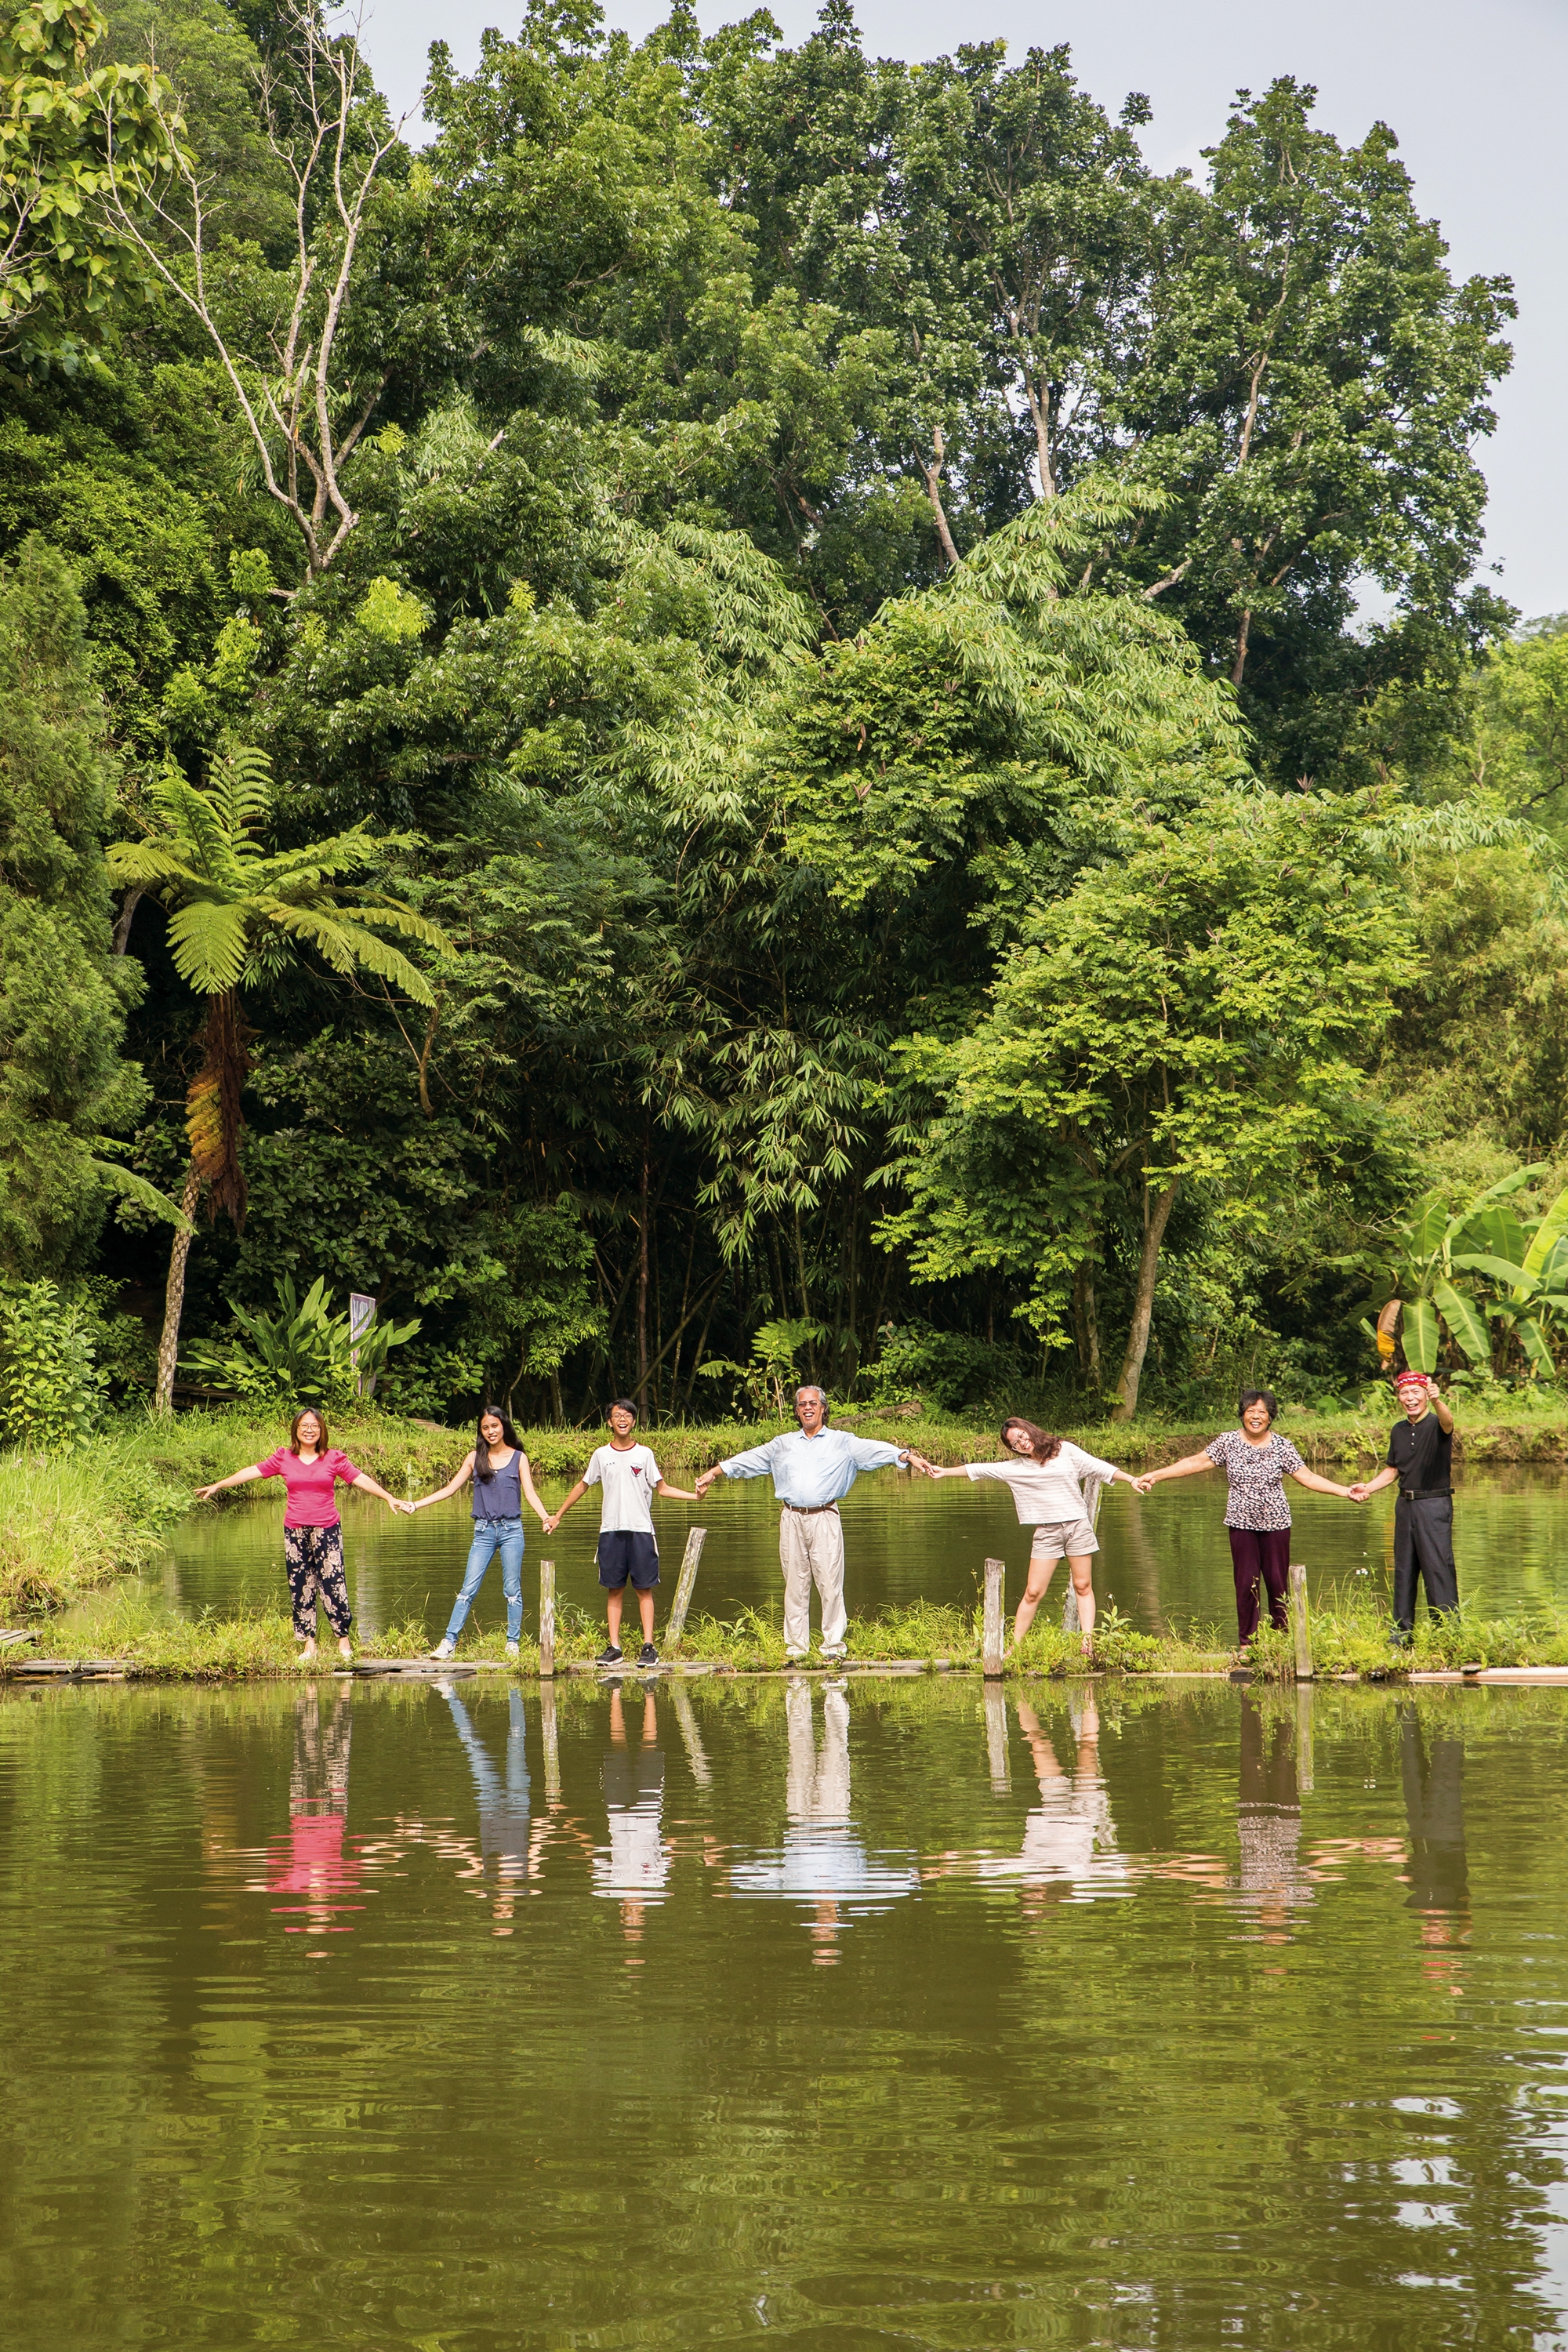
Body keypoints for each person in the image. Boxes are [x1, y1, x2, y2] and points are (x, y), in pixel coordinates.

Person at [695, 1385, 925, 1664]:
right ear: (796, 1410)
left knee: (830, 1583)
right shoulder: (783, 1443)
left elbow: (875, 1450)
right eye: (802, 1404)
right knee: (795, 1585)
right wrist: (714, 1472)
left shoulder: (842, 1442)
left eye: (813, 1404)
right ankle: (796, 1650)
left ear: (823, 1409)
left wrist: (906, 1455)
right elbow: (750, 1459)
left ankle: (833, 1648)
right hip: (791, 1517)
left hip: (824, 1517)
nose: (807, 1408)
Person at [1138, 1388, 1359, 1646]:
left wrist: (1346, 1491)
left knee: (1277, 1584)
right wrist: (1156, 1475)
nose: (1256, 1417)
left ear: (1271, 1416)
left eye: (1262, 1412)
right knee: (1246, 1584)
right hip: (1241, 1523)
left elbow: (1308, 1478)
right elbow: (1195, 1462)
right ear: (1242, 1414)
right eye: (1250, 1411)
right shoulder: (1228, 1442)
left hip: (1276, 1524)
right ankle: (1247, 1644)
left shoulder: (1282, 1446)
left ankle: (1281, 1641)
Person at [194, 1406, 408, 1661]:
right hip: (295, 1530)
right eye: (304, 1426)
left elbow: (360, 1478)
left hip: (327, 1528)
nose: (309, 1430)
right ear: (296, 1430)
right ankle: (309, 1646)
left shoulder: (333, 1458)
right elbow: (252, 1471)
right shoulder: (284, 1457)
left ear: (322, 1430)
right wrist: (219, 1484)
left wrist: (388, 1497)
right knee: (301, 1585)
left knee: (333, 1583)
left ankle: (343, 1643)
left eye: (314, 1426)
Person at [920, 1416, 1142, 1655]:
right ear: (1012, 1448)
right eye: (1015, 1443)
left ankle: (1087, 1643)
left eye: (1022, 1436)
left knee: (1083, 1585)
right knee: (1033, 1591)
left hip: (1077, 1526)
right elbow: (980, 1469)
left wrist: (1131, 1479)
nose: (1022, 1443)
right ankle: (1014, 1648)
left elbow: (1098, 1467)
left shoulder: (1064, 1450)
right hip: (1047, 1532)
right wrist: (944, 1472)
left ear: (1030, 1431)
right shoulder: (1015, 1469)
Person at [544, 1399, 699, 1667]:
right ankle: (614, 1648)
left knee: (644, 1590)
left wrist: (694, 1497)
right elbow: (582, 1486)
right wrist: (558, 1515)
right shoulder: (601, 1455)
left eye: (628, 1415)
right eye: (617, 1415)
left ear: (634, 1421)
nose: (623, 1419)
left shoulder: (645, 1454)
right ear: (609, 1422)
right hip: (611, 1531)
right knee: (613, 1590)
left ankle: (648, 1647)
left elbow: (662, 1488)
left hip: (640, 1530)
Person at [412, 1409, 550, 1663]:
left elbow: (530, 1494)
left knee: (512, 1590)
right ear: (481, 1431)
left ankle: (512, 1643)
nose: (491, 1431)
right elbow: (449, 1489)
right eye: (486, 1428)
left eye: (495, 1426)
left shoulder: (519, 1458)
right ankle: (448, 1642)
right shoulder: (475, 1458)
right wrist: (416, 1505)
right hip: (483, 1532)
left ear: (504, 1426)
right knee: (467, 1589)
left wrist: (545, 1517)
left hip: (511, 1531)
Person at [1349, 1370, 1459, 1643]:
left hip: (1434, 1504)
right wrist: (1368, 1488)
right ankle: (1401, 1637)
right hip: (1405, 1505)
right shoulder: (1398, 1430)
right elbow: (1393, 1470)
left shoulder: (1437, 1423)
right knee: (1404, 1569)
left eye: (1415, 1393)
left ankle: (1447, 1635)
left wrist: (1438, 1401)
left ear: (1425, 1394)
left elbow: (1449, 1422)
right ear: (1399, 1397)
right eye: (1404, 1393)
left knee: (1437, 1569)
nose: (1410, 1398)